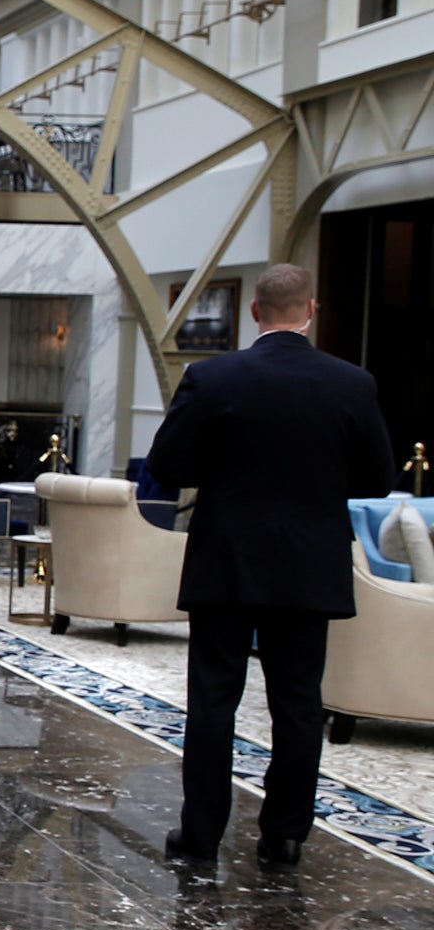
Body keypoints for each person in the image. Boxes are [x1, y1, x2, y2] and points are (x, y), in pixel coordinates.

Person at [148, 262, 395, 871]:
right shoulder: (351, 383)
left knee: (212, 700)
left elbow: (170, 467)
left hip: (227, 557)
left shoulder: (212, 377)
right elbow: (376, 480)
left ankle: (200, 836)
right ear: (311, 311)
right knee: (298, 702)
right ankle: (285, 835)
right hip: (310, 563)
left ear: (255, 313)